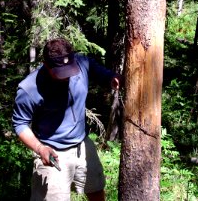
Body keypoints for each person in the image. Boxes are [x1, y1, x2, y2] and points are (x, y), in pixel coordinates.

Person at [12, 38, 121, 201]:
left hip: (83, 145)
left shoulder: (82, 63)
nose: (66, 77)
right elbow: (20, 124)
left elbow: (99, 71)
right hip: (52, 151)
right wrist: (40, 148)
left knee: (97, 191)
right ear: (46, 64)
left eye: (69, 70)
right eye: (60, 72)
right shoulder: (29, 89)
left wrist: (111, 78)